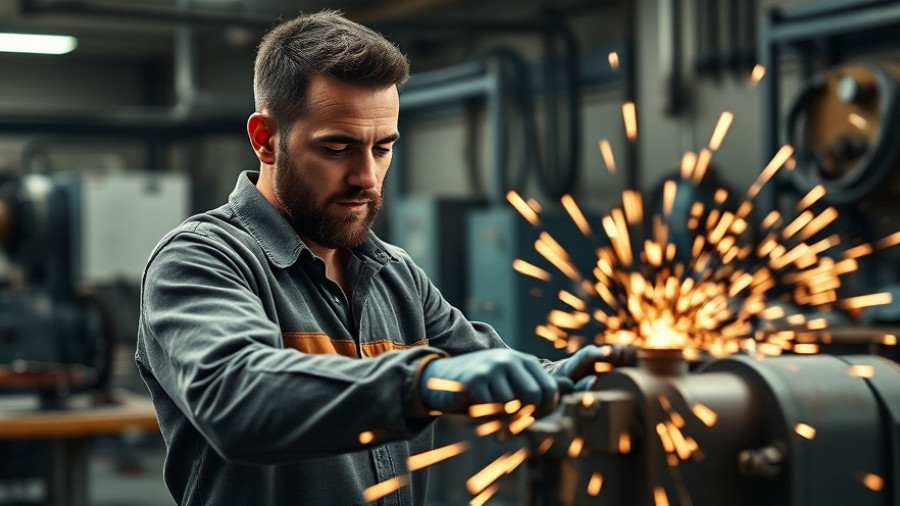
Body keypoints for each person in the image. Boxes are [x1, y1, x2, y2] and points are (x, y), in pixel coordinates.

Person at [135, 10, 611, 505]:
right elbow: (240, 398)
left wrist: (571, 378)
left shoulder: (394, 276)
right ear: (265, 139)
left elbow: (486, 366)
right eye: (338, 148)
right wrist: (421, 380)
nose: (367, 176)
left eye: (382, 148)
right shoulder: (201, 259)